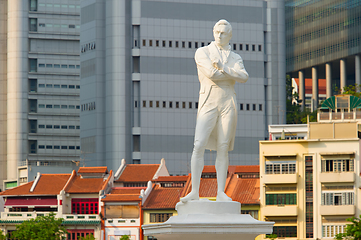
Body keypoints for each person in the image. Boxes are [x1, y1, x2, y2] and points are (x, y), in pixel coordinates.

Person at [181, 19, 249, 202]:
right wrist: (229, 74)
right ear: (213, 32)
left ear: (230, 35)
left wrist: (223, 68)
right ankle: (195, 190)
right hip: (209, 100)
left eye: (224, 33)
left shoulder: (235, 57)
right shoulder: (202, 52)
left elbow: (244, 77)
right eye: (217, 32)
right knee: (199, 144)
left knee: (223, 147)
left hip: (228, 102)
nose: (219, 35)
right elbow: (211, 74)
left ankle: (220, 192)